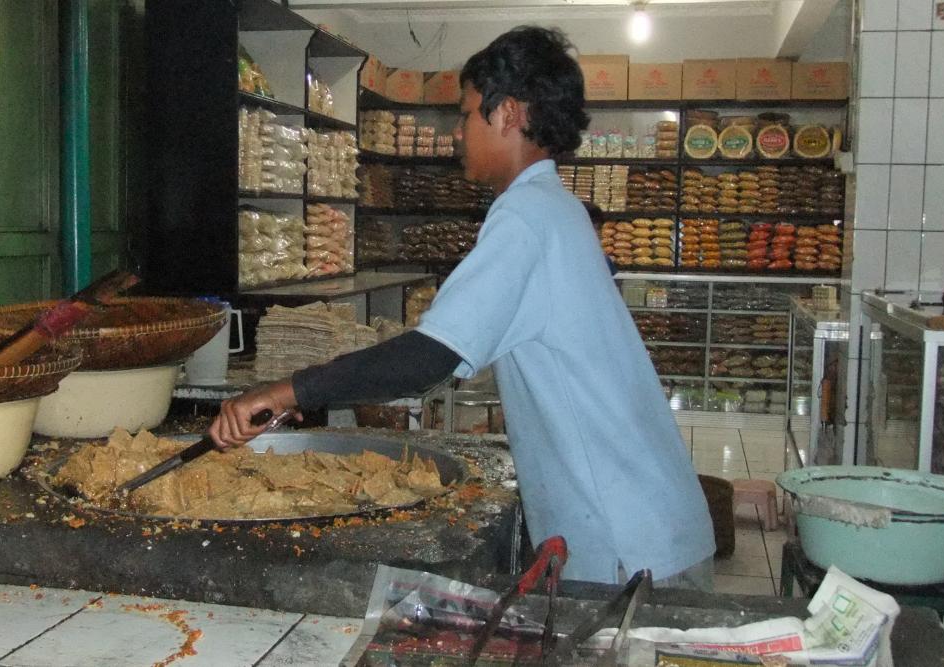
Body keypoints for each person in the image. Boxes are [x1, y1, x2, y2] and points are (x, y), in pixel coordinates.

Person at [210, 26, 715, 587]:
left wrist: (284, 391)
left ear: (508, 114)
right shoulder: (555, 208)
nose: (458, 133)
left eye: (467, 113)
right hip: (643, 519)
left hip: (626, 541)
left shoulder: (526, 218)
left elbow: (428, 358)